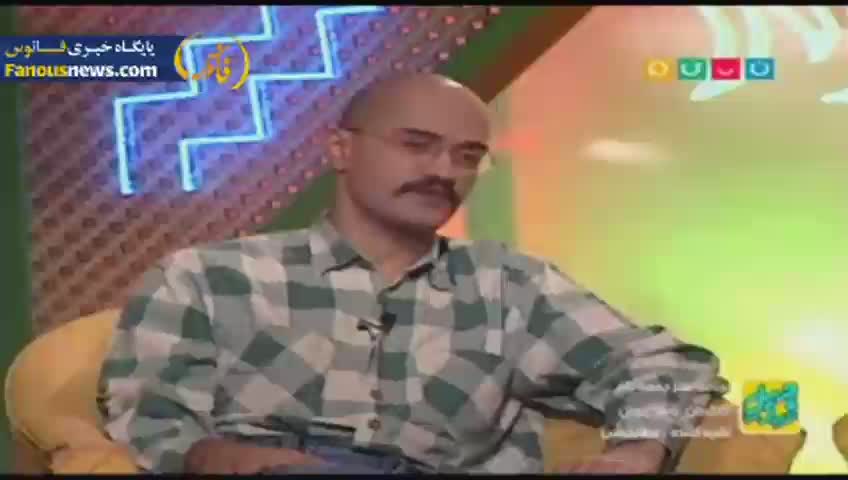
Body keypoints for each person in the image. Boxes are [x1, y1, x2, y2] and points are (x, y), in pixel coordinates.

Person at [97, 73, 727, 474]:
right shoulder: (208, 276)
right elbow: (150, 413)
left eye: (466, 156)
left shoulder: (509, 285)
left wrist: (637, 450)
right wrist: (229, 459)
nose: (443, 171)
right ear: (341, 149)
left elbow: (667, 365)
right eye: (416, 144)